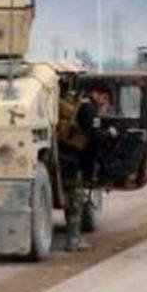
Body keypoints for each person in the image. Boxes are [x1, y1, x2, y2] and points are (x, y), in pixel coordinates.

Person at [57, 80, 111, 252]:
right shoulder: (89, 109)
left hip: (64, 158)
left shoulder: (79, 106)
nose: (104, 103)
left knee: (72, 200)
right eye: (104, 98)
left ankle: (73, 237)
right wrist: (108, 134)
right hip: (75, 162)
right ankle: (73, 240)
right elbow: (94, 138)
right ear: (95, 93)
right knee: (77, 202)